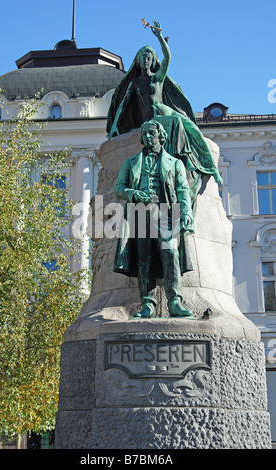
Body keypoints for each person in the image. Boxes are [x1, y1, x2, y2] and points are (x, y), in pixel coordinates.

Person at [106, 20, 222, 189]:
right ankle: (184, 157)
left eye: (148, 57)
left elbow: (168, 58)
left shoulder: (156, 77)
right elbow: (123, 104)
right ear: (137, 61)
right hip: (152, 119)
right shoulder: (135, 83)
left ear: (152, 60)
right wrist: (115, 126)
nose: (145, 60)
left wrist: (160, 38)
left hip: (164, 111)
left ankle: (212, 168)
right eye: (142, 58)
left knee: (193, 129)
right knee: (177, 123)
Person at [113, 119, 193, 318]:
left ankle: (174, 301)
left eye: (152, 133)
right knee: (144, 258)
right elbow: (118, 188)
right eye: (145, 134)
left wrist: (185, 213)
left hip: (166, 211)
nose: (148, 137)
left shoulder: (175, 163)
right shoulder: (131, 162)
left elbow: (183, 190)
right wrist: (132, 193)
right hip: (140, 212)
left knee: (171, 253)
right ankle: (147, 303)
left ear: (161, 136)